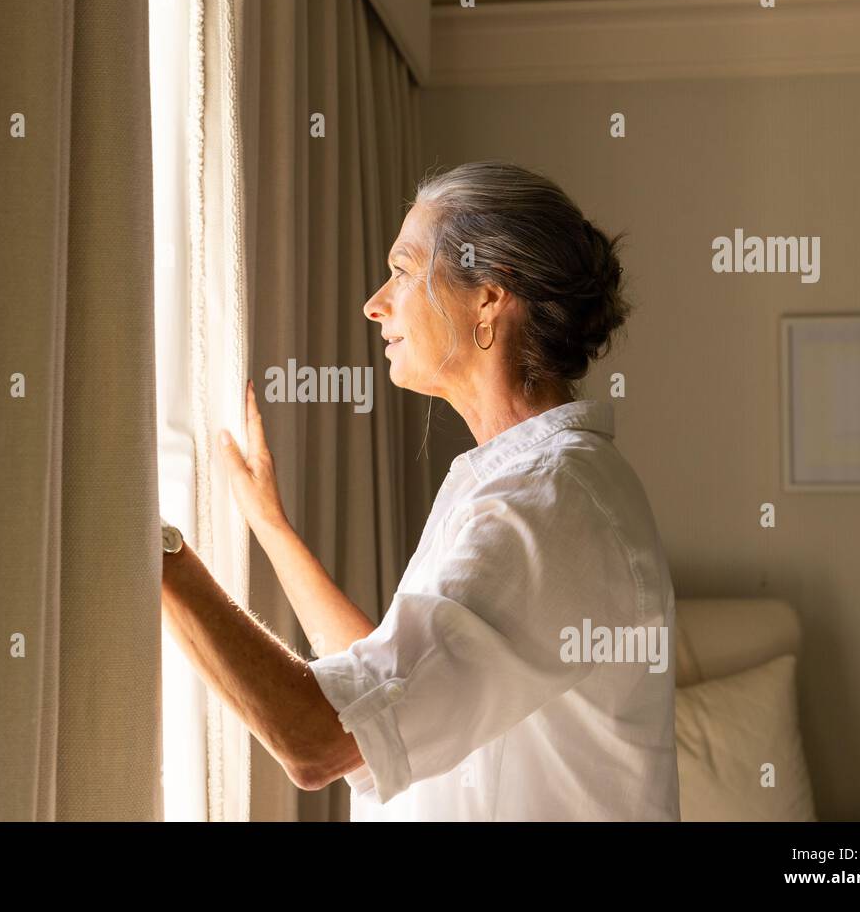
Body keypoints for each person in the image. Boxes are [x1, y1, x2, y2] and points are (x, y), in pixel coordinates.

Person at [159, 160, 680, 821]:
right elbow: (384, 687)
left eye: (403, 271)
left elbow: (317, 740)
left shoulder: (549, 504)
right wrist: (269, 524)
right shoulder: (523, 482)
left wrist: (155, 549)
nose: (375, 303)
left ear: (489, 297)